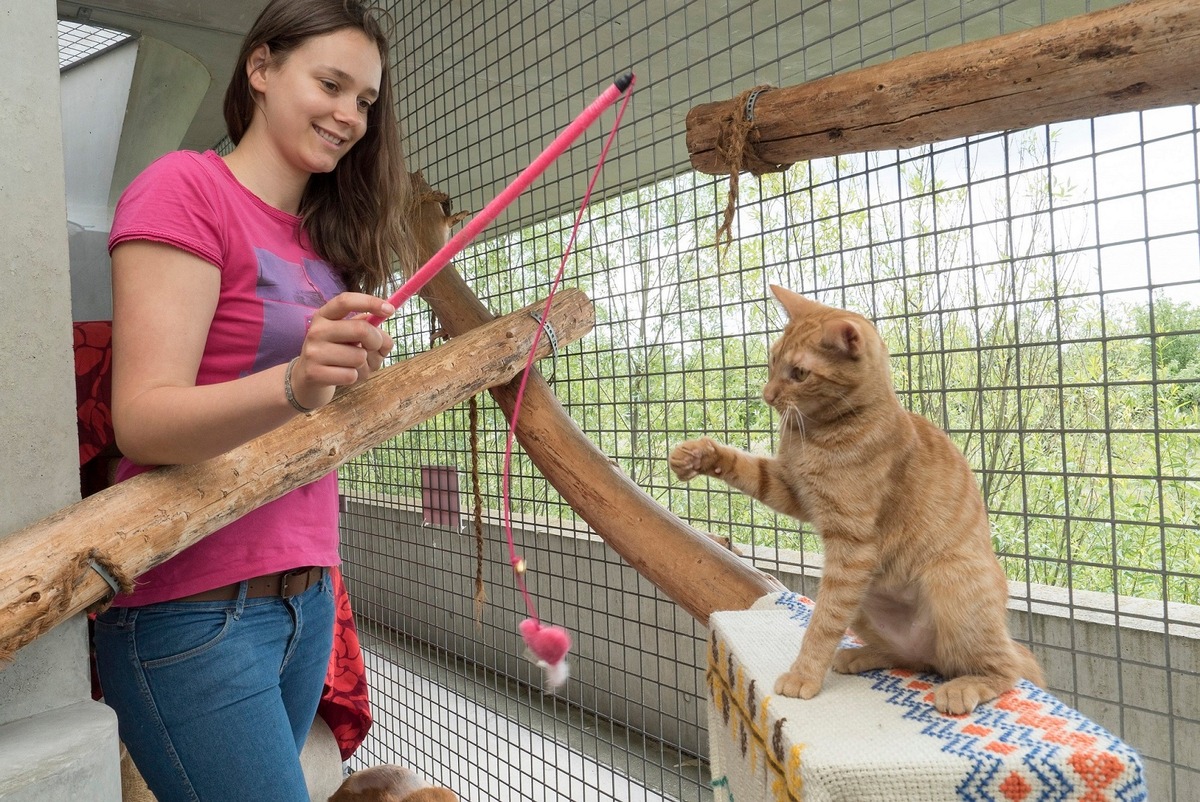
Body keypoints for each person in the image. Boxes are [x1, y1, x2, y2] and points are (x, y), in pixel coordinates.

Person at [92, 1, 415, 799]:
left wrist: (350, 385)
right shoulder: (184, 187)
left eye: (366, 102)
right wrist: (296, 381)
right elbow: (143, 419)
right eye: (331, 84)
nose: (349, 116)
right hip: (194, 608)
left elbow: (305, 420)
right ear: (262, 68)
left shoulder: (321, 243)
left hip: (306, 601)